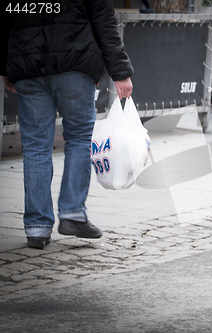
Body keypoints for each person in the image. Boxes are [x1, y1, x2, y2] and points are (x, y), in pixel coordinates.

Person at [0, 0, 134, 249]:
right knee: (79, 138)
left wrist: (6, 67)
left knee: (35, 147)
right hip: (75, 62)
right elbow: (103, 21)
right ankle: (73, 213)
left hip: (28, 66)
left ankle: (37, 226)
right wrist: (120, 72)